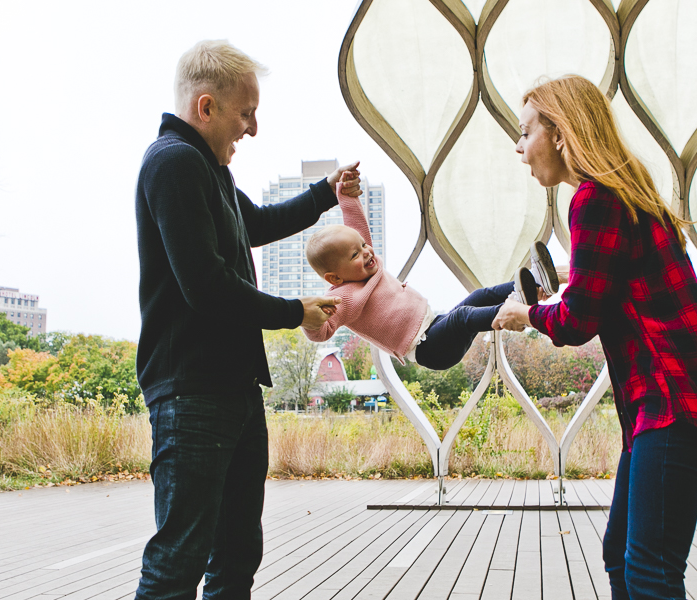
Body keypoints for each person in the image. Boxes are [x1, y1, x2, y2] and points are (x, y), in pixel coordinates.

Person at [492, 75, 697, 600]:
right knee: (623, 557)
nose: (520, 150)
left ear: (560, 133)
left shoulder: (593, 198)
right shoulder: (619, 192)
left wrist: (526, 314)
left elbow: (578, 319)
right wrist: (571, 275)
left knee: (651, 572)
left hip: (671, 403)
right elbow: (615, 283)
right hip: (664, 406)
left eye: (525, 133)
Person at [133, 40, 358, 600]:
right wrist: (293, 312)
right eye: (245, 113)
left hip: (231, 387)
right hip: (191, 389)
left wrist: (325, 194)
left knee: (236, 556)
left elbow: (254, 224)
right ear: (206, 107)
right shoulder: (173, 162)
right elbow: (205, 285)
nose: (252, 129)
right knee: (179, 560)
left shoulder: (209, 172)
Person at [302, 178, 558, 370]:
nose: (367, 251)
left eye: (363, 245)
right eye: (355, 255)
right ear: (335, 278)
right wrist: (304, 316)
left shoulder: (368, 267)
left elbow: (357, 228)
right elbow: (321, 332)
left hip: (434, 325)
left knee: (479, 296)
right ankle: (513, 309)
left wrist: (346, 196)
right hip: (428, 348)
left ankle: (535, 282)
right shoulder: (343, 297)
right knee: (463, 317)